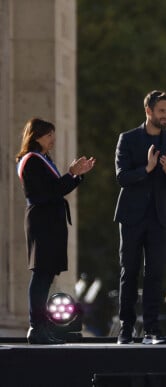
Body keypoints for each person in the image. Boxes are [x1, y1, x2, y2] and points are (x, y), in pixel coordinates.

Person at [15, 118, 95, 344]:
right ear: (36, 136)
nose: (53, 139)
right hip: (42, 223)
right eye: (49, 135)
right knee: (40, 275)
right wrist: (70, 173)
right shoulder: (31, 161)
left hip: (49, 222)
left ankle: (42, 327)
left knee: (46, 274)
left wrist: (76, 174)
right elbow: (45, 193)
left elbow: (57, 189)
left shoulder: (43, 159)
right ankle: (36, 327)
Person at [114, 90, 166, 345]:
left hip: (160, 217)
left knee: (155, 273)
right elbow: (122, 176)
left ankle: (152, 329)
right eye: (162, 110)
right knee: (129, 271)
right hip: (132, 216)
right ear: (149, 111)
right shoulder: (128, 139)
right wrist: (147, 169)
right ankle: (126, 328)